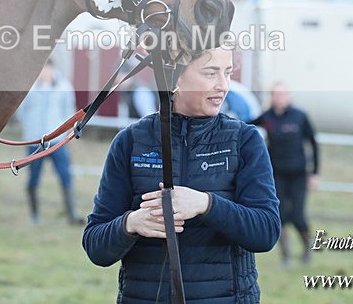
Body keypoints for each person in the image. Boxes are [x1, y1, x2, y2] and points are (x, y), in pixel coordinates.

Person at [83, 46, 280, 303]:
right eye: (211, 73)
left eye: (228, 73)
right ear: (173, 76)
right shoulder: (130, 141)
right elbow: (96, 247)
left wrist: (205, 204)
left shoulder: (245, 140)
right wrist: (130, 224)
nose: (223, 85)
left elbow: (265, 232)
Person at [252, 82, 319, 266]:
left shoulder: (300, 116)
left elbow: (313, 143)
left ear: (288, 96)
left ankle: (306, 249)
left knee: (297, 216)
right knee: (279, 215)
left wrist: (314, 173)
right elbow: (246, 125)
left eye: (283, 94)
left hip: (298, 174)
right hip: (276, 175)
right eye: (276, 94)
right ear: (271, 97)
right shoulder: (267, 117)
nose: (279, 98)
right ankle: (285, 256)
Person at [15, 59, 84, 225]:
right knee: (33, 177)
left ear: (52, 70)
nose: (44, 74)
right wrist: (30, 130)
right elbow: (21, 111)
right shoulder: (30, 89)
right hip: (35, 142)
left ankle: (71, 213)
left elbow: (68, 110)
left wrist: (65, 133)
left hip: (56, 142)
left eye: (47, 70)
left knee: (65, 175)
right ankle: (35, 214)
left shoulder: (64, 87)